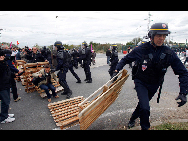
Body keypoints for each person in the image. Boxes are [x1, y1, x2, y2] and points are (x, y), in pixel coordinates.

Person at [114, 23, 188, 130]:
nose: (161, 38)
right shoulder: (141, 49)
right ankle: (145, 128)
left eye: (164, 36)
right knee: (145, 108)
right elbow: (125, 59)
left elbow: (183, 72)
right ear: (151, 36)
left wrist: (183, 92)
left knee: (142, 105)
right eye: (159, 35)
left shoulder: (169, 52)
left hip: (154, 84)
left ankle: (133, 118)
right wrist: (117, 70)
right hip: (141, 82)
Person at [0, 49, 15, 123]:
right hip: (2, 85)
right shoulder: (1, 63)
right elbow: (2, 71)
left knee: (6, 101)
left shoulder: (4, 62)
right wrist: (1, 62)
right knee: (5, 101)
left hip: (6, 84)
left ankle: (5, 114)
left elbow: (7, 71)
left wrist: (15, 74)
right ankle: (3, 118)